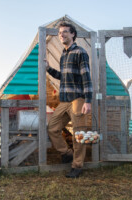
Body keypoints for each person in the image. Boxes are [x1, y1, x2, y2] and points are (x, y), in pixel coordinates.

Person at [45, 22, 93, 178]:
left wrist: (88, 100)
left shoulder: (80, 52)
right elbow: (62, 77)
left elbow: (86, 77)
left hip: (77, 100)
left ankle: (77, 166)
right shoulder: (63, 55)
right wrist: (48, 69)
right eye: (60, 32)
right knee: (52, 127)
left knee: (78, 134)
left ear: (73, 34)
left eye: (65, 32)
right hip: (65, 100)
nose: (62, 35)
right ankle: (66, 153)